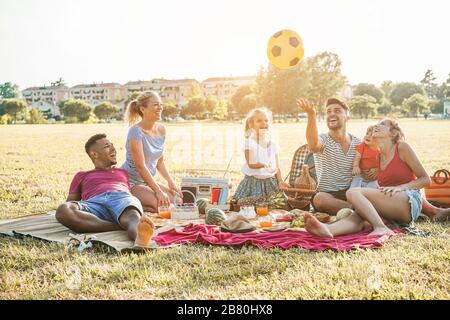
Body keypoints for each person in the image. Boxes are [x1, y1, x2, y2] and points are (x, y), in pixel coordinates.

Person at [303, 118, 450, 238]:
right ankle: (330, 230)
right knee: (360, 215)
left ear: (392, 133)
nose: (377, 126)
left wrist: (401, 188)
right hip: (392, 204)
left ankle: (381, 227)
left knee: (353, 193)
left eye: (383, 124)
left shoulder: (401, 147)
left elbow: (425, 179)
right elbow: (360, 158)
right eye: (377, 123)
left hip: (409, 199)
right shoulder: (378, 156)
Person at [55, 134, 154, 247]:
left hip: (120, 198)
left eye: (112, 145)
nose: (113, 149)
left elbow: (131, 192)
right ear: (94, 154)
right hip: (94, 204)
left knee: (132, 216)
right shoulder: (81, 175)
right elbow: (70, 202)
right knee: (63, 210)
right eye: (107, 146)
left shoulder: (122, 172)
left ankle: (140, 241)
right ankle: (118, 226)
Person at [296, 98, 377, 215]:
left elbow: (369, 163)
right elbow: (313, 146)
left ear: (347, 117)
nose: (332, 114)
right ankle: (363, 211)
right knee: (319, 199)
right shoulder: (323, 139)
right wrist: (311, 115)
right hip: (328, 196)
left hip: (352, 193)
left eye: (337, 110)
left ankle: (357, 211)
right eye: (328, 112)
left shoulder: (358, 143)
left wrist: (376, 169)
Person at [122, 91, 181, 212]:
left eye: (161, 104)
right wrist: (158, 191)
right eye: (155, 104)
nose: (160, 107)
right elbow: (140, 166)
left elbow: (159, 162)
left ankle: (140, 204)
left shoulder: (161, 129)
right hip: (131, 182)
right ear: (143, 109)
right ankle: (128, 204)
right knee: (164, 206)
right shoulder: (135, 131)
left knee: (178, 201)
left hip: (148, 182)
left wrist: (170, 182)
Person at [232, 108, 290, 201]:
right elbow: (251, 164)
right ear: (251, 125)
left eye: (266, 120)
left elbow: (276, 167)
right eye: (259, 121)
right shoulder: (249, 143)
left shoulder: (272, 145)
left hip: (270, 183)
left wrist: (280, 181)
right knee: (252, 208)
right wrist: (263, 165)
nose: (264, 123)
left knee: (278, 207)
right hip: (253, 184)